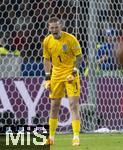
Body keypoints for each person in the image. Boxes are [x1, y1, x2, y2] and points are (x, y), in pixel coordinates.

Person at [43, 17, 82, 146]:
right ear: (49, 28)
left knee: (73, 105)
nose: (54, 30)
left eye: (56, 27)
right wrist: (48, 77)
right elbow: (47, 59)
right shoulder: (47, 41)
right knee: (54, 106)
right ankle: (51, 137)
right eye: (52, 28)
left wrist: (74, 71)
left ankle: (76, 136)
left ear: (61, 27)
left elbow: (79, 56)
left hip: (71, 74)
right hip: (56, 75)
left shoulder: (71, 39)